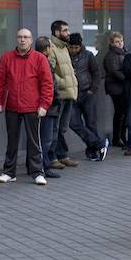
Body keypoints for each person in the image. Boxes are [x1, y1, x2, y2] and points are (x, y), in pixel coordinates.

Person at [0, 29, 53, 185]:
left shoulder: (40, 59)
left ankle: (37, 172)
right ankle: (9, 172)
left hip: (33, 107)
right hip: (12, 105)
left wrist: (44, 105)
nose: (22, 40)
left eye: (26, 37)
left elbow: (47, 84)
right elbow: (0, 81)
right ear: (16, 39)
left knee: (34, 141)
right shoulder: (6, 58)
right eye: (19, 37)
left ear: (31, 41)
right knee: (12, 141)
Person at [67, 33, 107, 161]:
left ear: (80, 46)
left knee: (91, 123)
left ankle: (92, 151)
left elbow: (96, 72)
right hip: (72, 95)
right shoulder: (65, 56)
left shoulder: (88, 55)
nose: (73, 50)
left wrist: (92, 89)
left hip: (87, 93)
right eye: (71, 47)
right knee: (74, 123)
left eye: (76, 47)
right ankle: (99, 144)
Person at [47, 20, 79, 170]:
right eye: (65, 30)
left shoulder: (64, 48)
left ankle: (62, 155)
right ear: (57, 32)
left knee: (62, 128)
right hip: (59, 94)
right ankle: (52, 157)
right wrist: (61, 84)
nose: (68, 33)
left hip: (68, 94)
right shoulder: (52, 48)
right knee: (55, 128)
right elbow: (50, 72)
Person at [35, 37, 62, 179]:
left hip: (47, 105)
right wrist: (55, 99)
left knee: (42, 139)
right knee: (45, 140)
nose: (52, 49)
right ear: (46, 49)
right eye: (51, 47)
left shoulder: (39, 60)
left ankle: (37, 166)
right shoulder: (42, 61)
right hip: (47, 106)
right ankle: (44, 167)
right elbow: (49, 85)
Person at [103, 31, 127, 149]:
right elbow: (114, 71)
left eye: (121, 41)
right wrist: (127, 78)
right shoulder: (111, 55)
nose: (120, 44)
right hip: (116, 88)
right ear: (112, 43)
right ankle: (117, 138)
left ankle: (121, 137)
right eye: (117, 42)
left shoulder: (123, 53)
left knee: (122, 113)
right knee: (119, 113)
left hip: (121, 87)